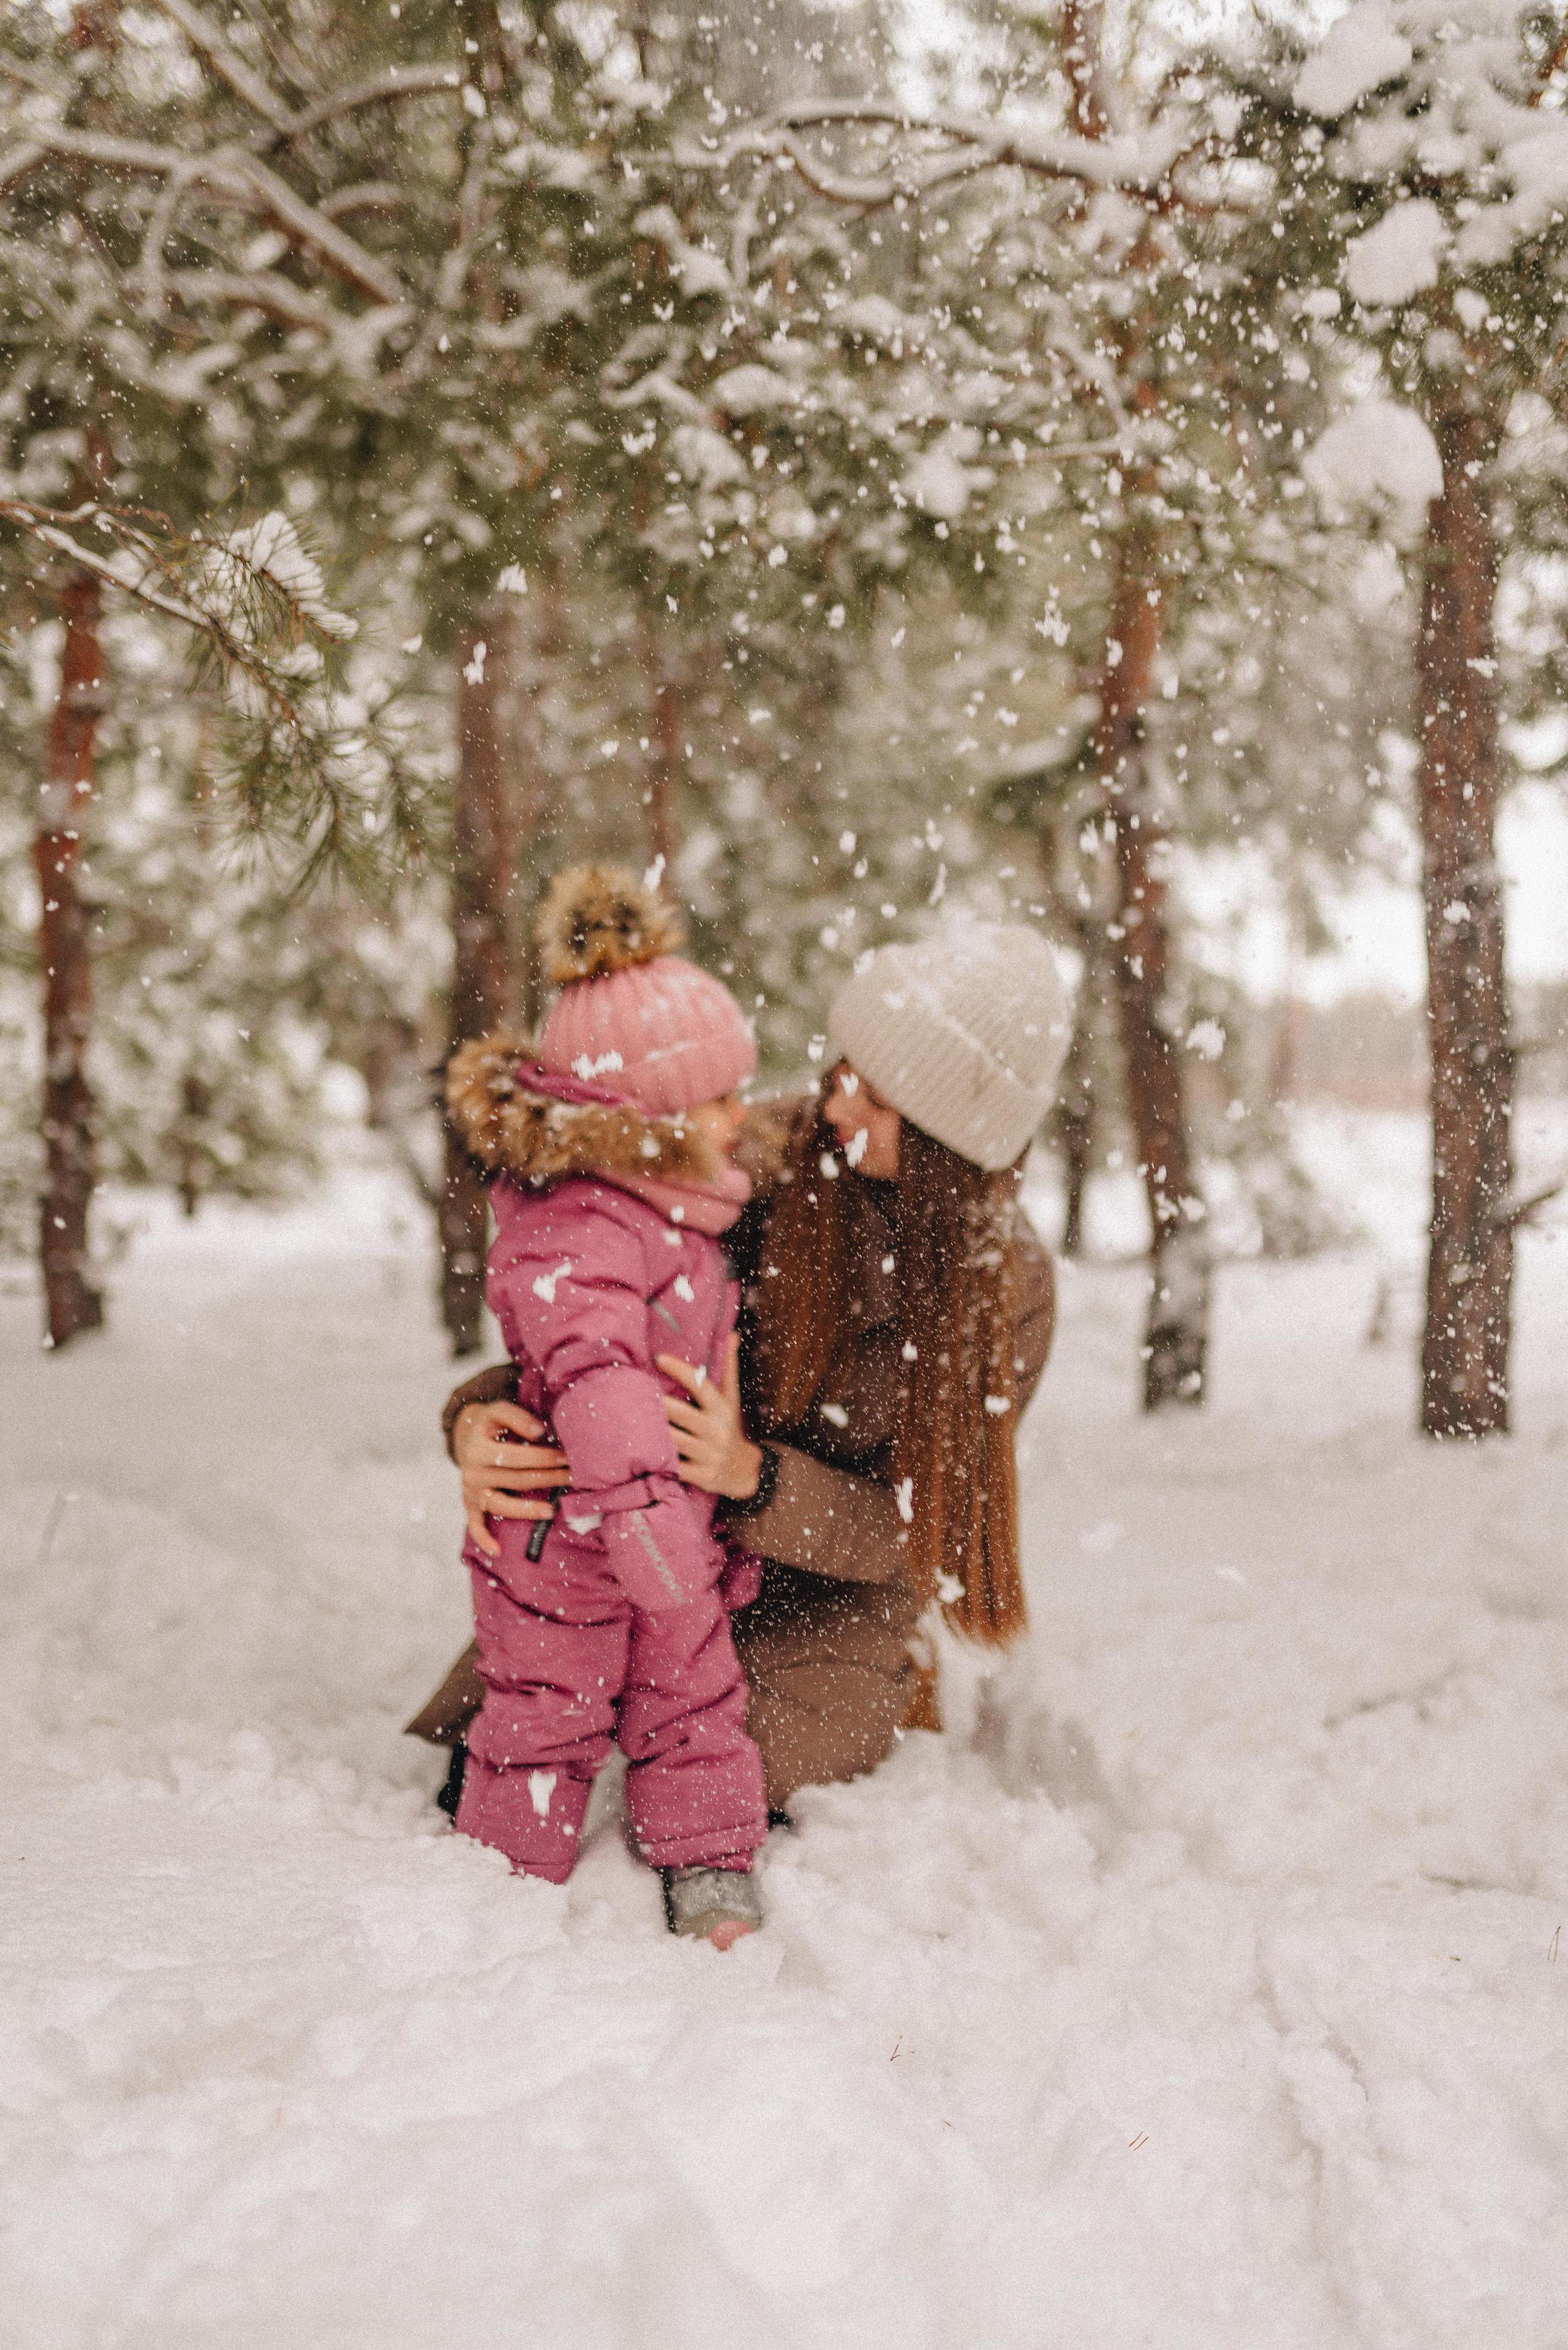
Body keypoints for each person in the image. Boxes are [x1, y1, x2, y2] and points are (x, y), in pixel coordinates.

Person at [409, 917, 1070, 1820]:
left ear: (951, 1144)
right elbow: (582, 1295)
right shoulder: (754, 1155)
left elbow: (919, 1532)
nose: (836, 1107)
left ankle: (888, 1669)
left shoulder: (1009, 1293)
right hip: (670, 1534)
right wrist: (477, 1417)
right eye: (842, 1072)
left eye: (875, 1101)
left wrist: (758, 1481)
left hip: (831, 1591)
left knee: (731, 1763)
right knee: (541, 1714)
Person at [440, 863, 769, 1947]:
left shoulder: (681, 1208)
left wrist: (681, 1531)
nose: (739, 1118)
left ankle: (712, 1862)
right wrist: (639, 1520)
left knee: (695, 1698)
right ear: (640, 1120)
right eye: (713, 1101)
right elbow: (598, 1380)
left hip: (674, 1528)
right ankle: (506, 1872)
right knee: (544, 1710)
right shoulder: (577, 1226)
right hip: (569, 1543)